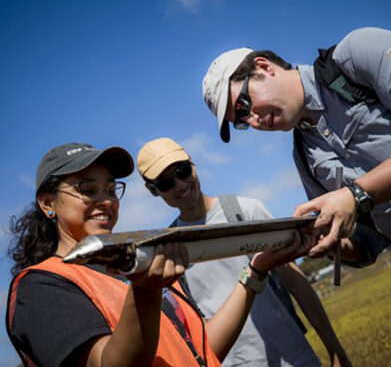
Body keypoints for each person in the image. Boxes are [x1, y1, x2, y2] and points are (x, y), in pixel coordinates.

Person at [6, 142, 310, 367]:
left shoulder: (137, 267)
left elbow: (202, 350)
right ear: (48, 203)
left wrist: (256, 273)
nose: (106, 201)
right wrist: (145, 291)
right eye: (88, 190)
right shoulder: (40, 287)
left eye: (111, 190)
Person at [137, 137, 351, 367]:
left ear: (193, 164)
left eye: (182, 170)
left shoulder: (245, 212)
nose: (180, 184)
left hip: (293, 356)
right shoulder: (171, 248)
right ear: (152, 190)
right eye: (166, 183)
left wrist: (335, 350)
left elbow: (296, 282)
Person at [201, 27, 391, 266]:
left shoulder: (357, 55)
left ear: (264, 66)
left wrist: (354, 195)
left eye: (244, 106)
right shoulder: (305, 158)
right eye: (241, 123)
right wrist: (325, 241)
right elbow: (368, 242)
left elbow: (351, 200)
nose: (253, 121)